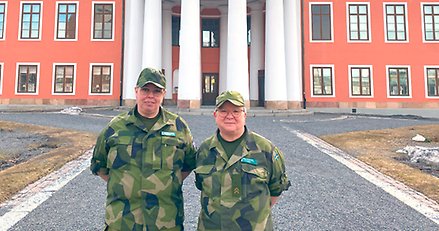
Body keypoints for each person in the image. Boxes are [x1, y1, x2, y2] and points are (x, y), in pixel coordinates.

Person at [90, 67, 196, 231]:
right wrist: (125, 183)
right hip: (123, 222)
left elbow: (188, 164)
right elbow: (99, 165)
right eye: (145, 90)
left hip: (165, 222)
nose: (150, 96)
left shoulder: (179, 127)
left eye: (156, 91)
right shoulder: (115, 127)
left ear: (163, 94)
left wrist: (164, 182)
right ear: (136, 91)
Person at [194, 90, 291, 231]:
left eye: (236, 111)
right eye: (223, 111)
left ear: (244, 115)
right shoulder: (205, 149)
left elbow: (276, 189)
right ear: (215, 115)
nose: (229, 116)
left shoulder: (265, 149)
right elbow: (201, 185)